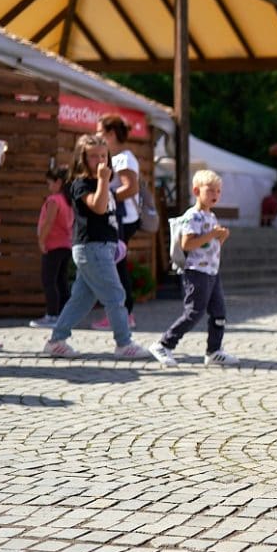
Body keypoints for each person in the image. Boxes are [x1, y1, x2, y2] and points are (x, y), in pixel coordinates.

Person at [42, 135, 151, 360]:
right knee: (115, 295)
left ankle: (56, 341)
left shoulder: (103, 183)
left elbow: (108, 216)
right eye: (93, 156)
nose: (100, 160)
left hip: (101, 247)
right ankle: (124, 343)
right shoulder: (80, 184)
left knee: (81, 299)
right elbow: (99, 207)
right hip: (92, 248)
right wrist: (103, 181)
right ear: (81, 158)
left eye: (103, 155)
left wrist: (116, 242)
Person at [148, 170, 238, 368]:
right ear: (196, 191)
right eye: (210, 190)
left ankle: (214, 351)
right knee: (194, 312)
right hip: (196, 272)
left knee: (219, 313)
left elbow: (209, 246)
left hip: (212, 272)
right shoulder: (193, 216)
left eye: (218, 191)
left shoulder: (211, 216)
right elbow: (187, 244)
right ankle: (163, 344)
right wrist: (212, 234)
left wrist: (220, 237)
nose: (215, 194)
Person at [92, 114, 140, 330]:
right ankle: (121, 314)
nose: (96, 135)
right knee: (115, 267)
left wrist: (106, 198)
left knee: (116, 268)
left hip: (123, 220)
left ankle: (123, 314)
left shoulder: (123, 158)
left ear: (111, 134)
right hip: (119, 219)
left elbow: (131, 188)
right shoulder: (119, 157)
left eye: (99, 132)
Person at [30, 165, 74, 329]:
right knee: (61, 281)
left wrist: (41, 241)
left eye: (49, 183)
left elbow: (49, 222)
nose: (48, 187)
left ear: (58, 182)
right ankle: (64, 315)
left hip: (53, 245)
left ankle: (52, 315)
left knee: (49, 280)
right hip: (66, 245)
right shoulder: (69, 200)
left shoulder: (54, 200)